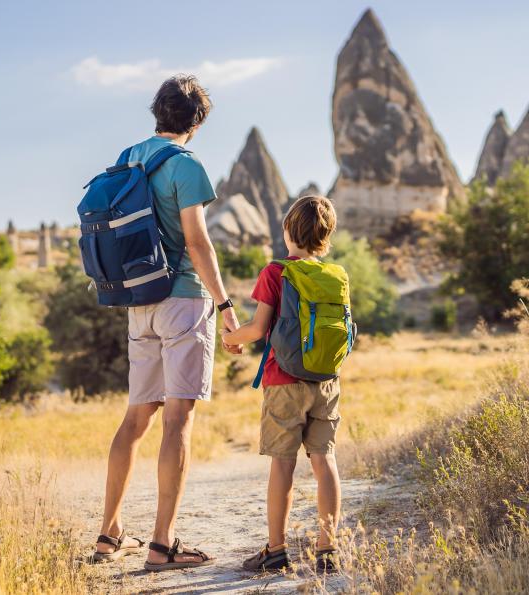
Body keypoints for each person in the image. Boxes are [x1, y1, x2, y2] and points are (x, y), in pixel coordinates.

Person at [92, 74, 242, 572]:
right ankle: (162, 545)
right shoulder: (185, 166)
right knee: (177, 419)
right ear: (196, 123)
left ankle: (108, 534)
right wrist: (224, 305)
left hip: (139, 303)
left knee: (136, 417)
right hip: (182, 300)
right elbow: (197, 243)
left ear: (157, 111)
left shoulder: (129, 156)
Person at [221, 195, 343, 573]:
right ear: (326, 237)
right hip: (326, 381)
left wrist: (231, 340)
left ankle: (276, 550)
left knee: (282, 465)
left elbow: (258, 329)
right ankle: (329, 548)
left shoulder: (276, 271)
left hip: (283, 380)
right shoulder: (336, 275)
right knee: (325, 461)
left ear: (289, 231)